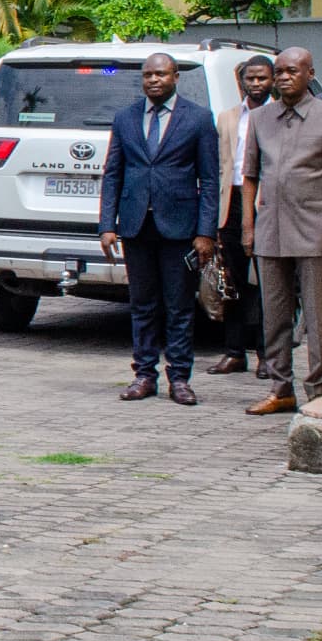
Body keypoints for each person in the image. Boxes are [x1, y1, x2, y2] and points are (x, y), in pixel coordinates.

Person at [96, 52, 220, 404]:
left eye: (161, 74)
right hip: (136, 226)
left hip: (180, 228)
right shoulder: (126, 118)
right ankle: (144, 375)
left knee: (179, 307)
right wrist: (108, 224)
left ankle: (180, 378)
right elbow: (113, 173)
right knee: (142, 305)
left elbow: (210, 180)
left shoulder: (197, 119)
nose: (153, 80)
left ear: (175, 77)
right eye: (148, 74)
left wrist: (206, 232)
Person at [242, 47, 322, 416]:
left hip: (313, 228)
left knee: (316, 314)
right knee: (274, 313)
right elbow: (249, 176)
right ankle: (281, 387)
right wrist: (247, 225)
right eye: (279, 72)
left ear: (310, 73)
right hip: (270, 229)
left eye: (292, 71)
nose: (283, 77)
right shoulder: (261, 118)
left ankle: (319, 386)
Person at [208, 54, 275, 377]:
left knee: (267, 285)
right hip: (231, 204)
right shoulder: (228, 117)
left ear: (272, 80)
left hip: (269, 205)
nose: (256, 84)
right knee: (232, 283)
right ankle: (234, 352)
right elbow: (220, 167)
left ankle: (266, 354)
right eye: (251, 78)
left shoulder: (281, 115)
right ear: (241, 82)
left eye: (263, 78)